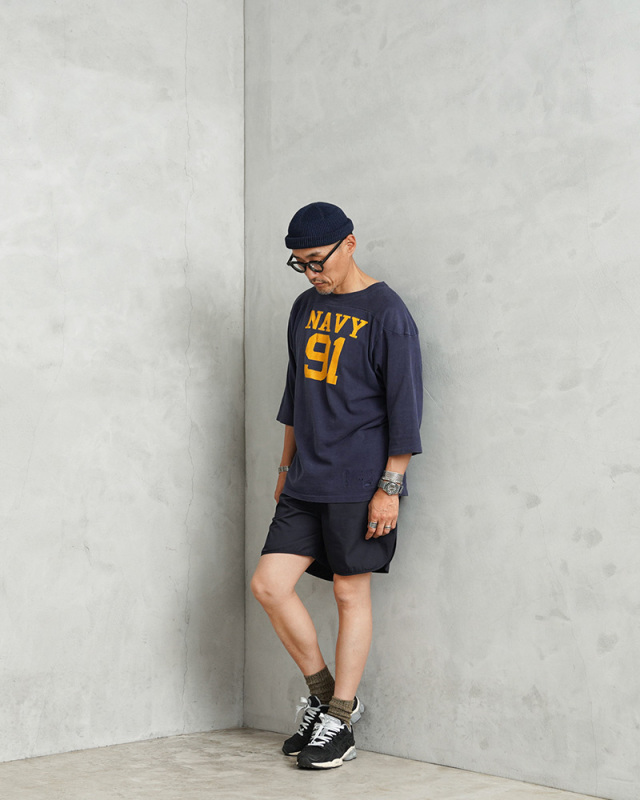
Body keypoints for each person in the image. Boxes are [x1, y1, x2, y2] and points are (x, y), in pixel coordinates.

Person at [251, 202, 423, 770]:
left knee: (351, 594)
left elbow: (405, 408)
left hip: (360, 480)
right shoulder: (305, 307)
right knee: (269, 586)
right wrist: (284, 471)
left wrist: (390, 488)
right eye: (299, 264)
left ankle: (341, 721)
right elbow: (295, 395)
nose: (310, 274)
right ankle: (324, 696)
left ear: (349, 244)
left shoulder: (387, 313)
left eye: (317, 261)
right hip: (306, 477)